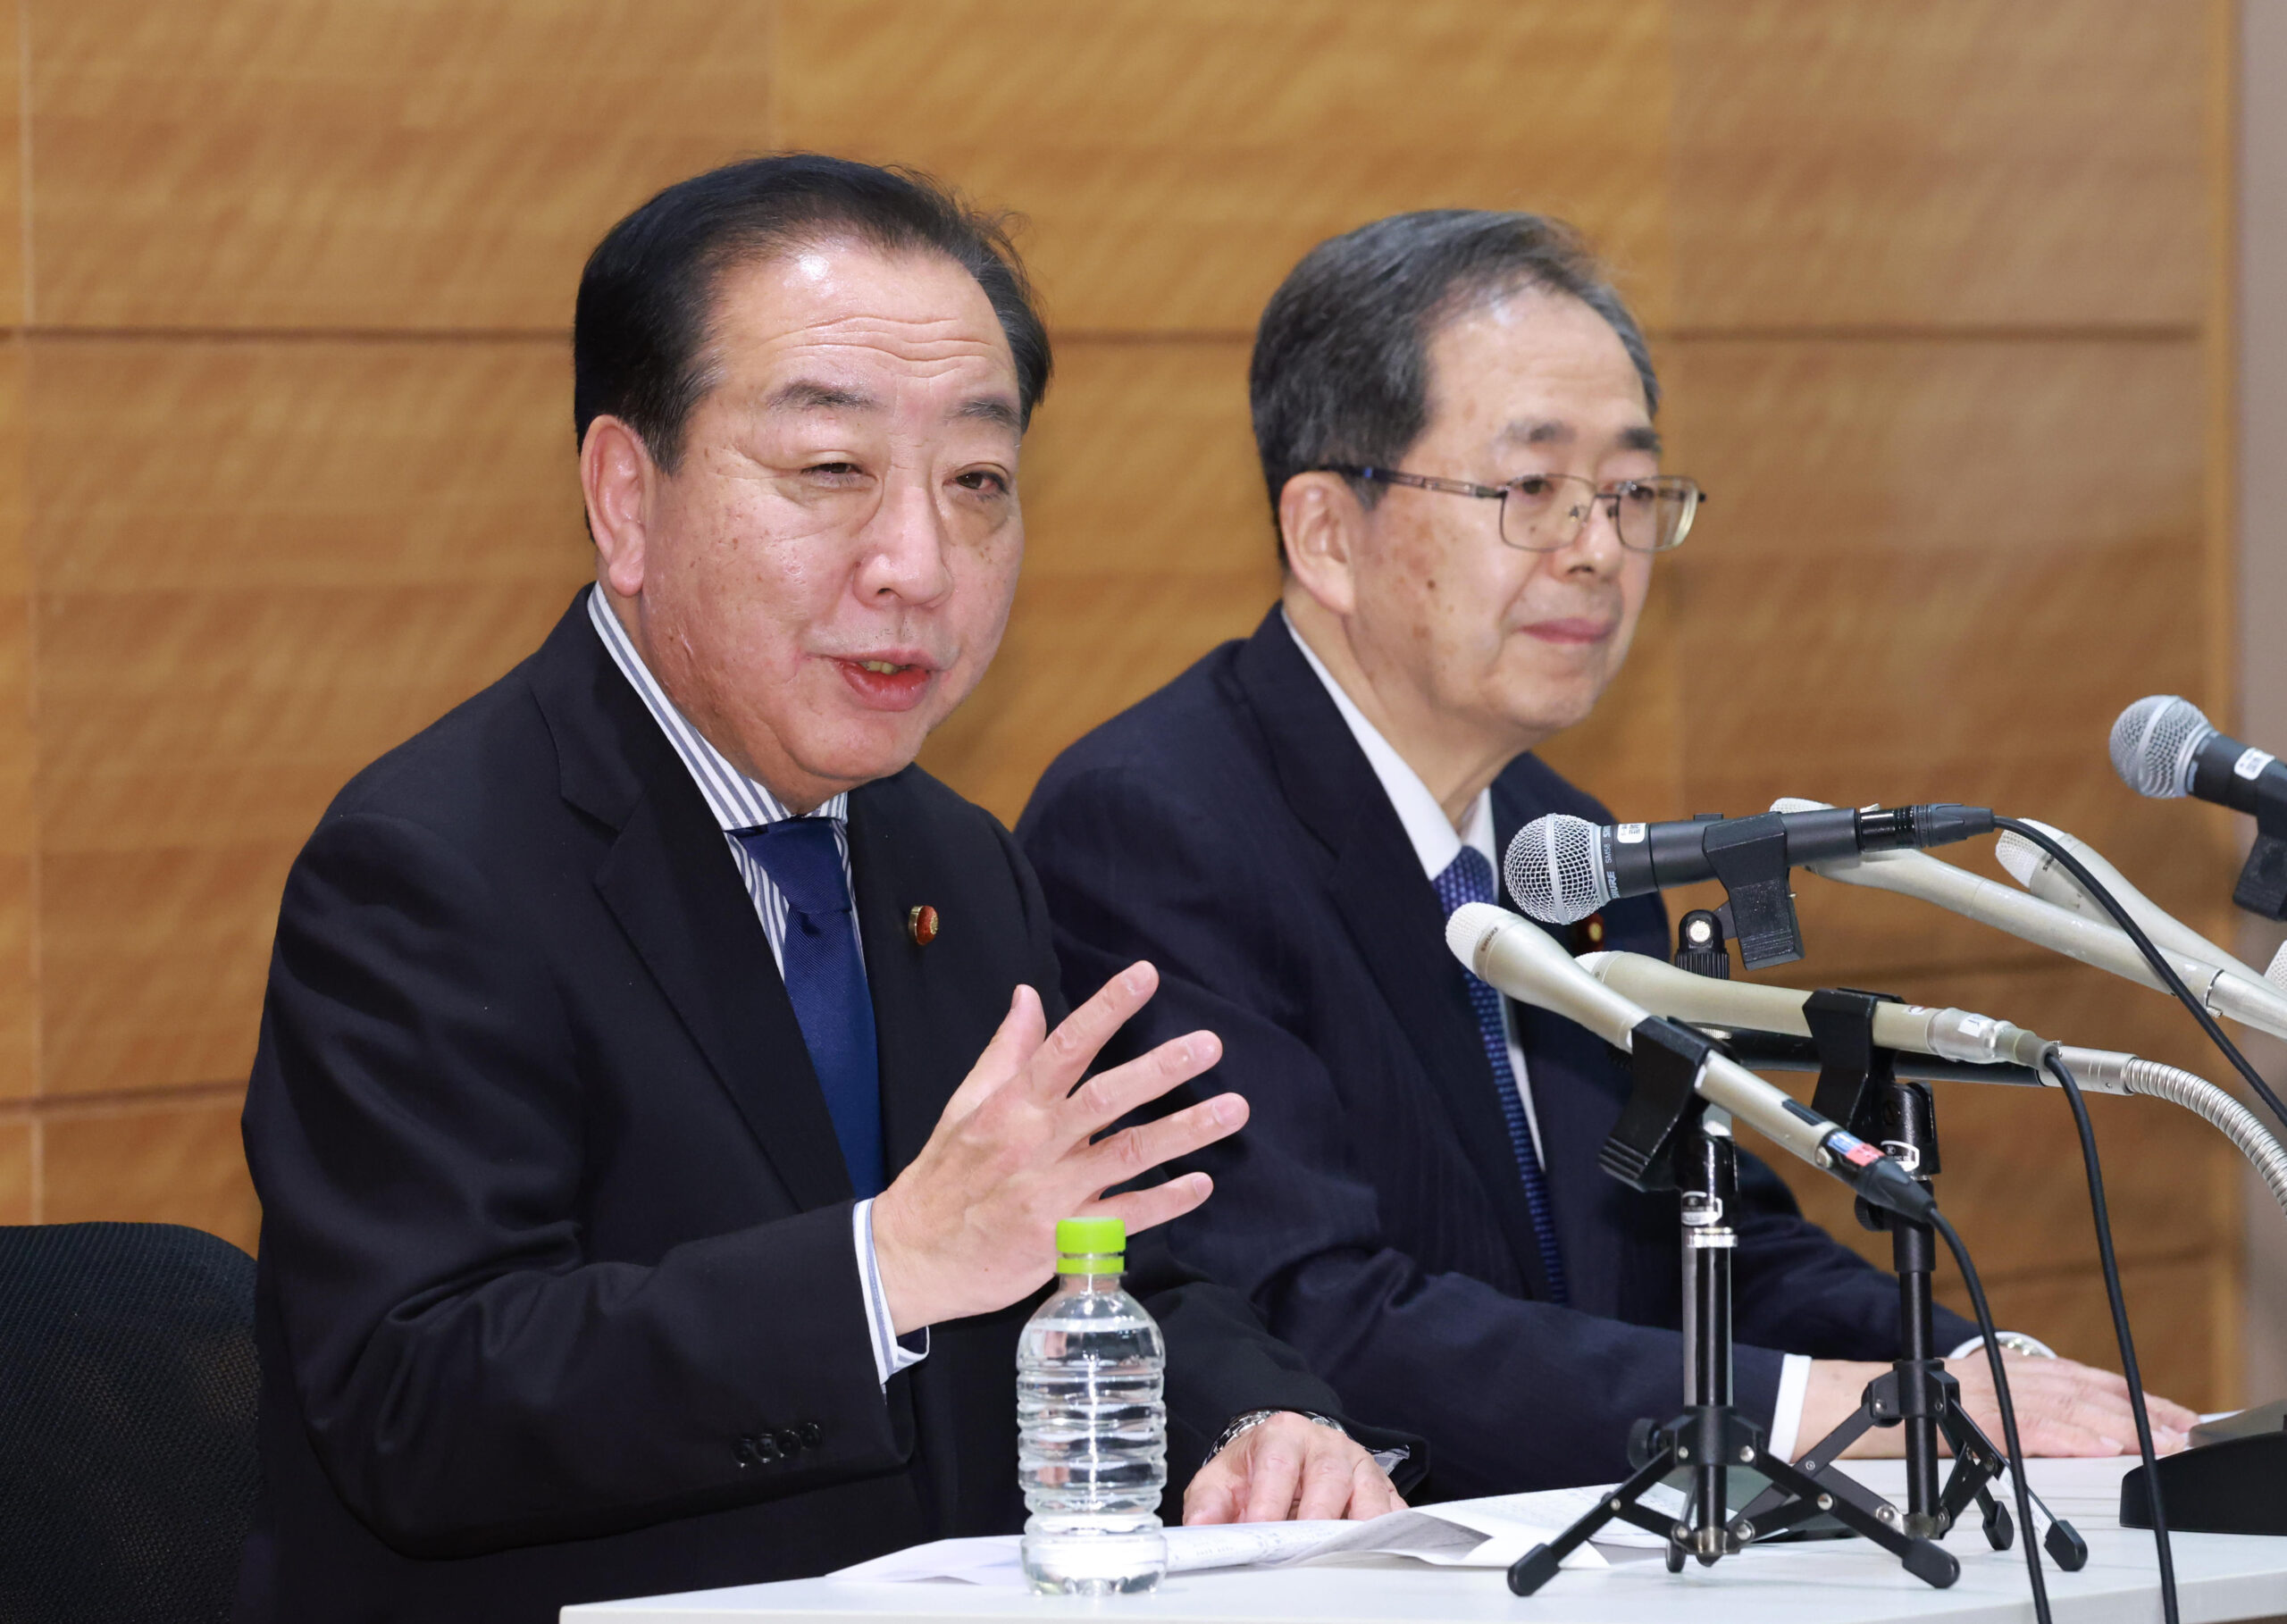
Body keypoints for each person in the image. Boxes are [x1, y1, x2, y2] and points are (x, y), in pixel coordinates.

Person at [234, 156, 1413, 1624]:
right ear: (625, 499)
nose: (918, 562)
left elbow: (1093, 1262)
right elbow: (419, 1400)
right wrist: (885, 1265)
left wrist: (1259, 1419)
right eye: (831, 470)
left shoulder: (955, 859)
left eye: (976, 483)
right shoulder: (429, 866)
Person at [1017, 209, 2197, 1501]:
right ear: (1328, 535)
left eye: (1630, 494)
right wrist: (1830, 1406)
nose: (1597, 550)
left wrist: (1980, 1367)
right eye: (1532, 491)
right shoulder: (1155, 827)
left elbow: (1719, 1233)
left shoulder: (1562, 843)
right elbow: (1310, 1310)